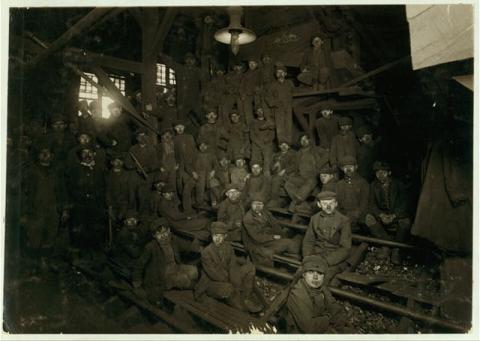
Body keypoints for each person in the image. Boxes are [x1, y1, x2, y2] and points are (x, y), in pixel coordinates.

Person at [194, 222, 263, 313]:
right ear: (211, 236)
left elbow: (232, 265)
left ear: (225, 236)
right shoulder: (206, 252)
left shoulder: (228, 247)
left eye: (221, 236)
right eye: (215, 236)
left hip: (227, 277)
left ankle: (246, 297)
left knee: (250, 268)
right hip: (211, 283)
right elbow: (215, 274)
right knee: (229, 289)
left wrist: (236, 279)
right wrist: (234, 283)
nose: (218, 239)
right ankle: (243, 309)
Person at [22, 145, 68, 265]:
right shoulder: (31, 171)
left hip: (53, 210)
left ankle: (44, 263)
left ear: (52, 156)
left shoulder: (56, 172)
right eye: (42, 152)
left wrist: (64, 210)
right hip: (35, 210)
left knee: (50, 236)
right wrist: (24, 211)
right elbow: (25, 192)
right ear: (38, 155)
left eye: (48, 153)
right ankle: (32, 265)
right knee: (34, 237)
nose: (45, 155)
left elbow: (62, 191)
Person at [285, 255, 348, 333]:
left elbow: (335, 308)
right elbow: (309, 327)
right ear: (304, 274)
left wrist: (338, 320)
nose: (315, 277)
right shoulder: (298, 293)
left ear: (324, 276)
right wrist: (329, 318)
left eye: (319, 273)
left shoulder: (322, 288)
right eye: (311, 272)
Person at [134, 218, 198, 293]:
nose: (164, 236)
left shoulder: (172, 239)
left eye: (165, 232)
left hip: (176, 267)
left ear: (169, 231)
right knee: (184, 280)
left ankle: (195, 286)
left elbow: (186, 246)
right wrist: (136, 282)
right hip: (163, 274)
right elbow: (139, 264)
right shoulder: (151, 247)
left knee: (194, 271)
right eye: (159, 234)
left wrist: (199, 249)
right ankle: (195, 288)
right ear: (154, 235)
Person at [365, 161, 411, 263]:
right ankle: (386, 245)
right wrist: (381, 215)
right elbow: (371, 204)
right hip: (382, 216)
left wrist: (393, 216)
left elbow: (404, 204)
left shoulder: (398, 184)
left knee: (406, 221)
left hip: (396, 215)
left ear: (389, 173)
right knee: (368, 218)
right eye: (378, 173)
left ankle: (396, 249)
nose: (380, 175)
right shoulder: (373, 185)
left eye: (383, 172)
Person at [302, 191, 352, 283]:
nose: (328, 206)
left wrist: (327, 261)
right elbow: (308, 241)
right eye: (325, 204)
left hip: (334, 258)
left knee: (323, 278)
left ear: (336, 204)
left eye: (331, 203)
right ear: (319, 204)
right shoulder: (314, 218)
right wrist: (308, 257)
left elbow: (345, 248)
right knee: (301, 274)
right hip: (317, 254)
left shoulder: (344, 221)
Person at [243, 196, 302, 266]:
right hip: (256, 243)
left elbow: (275, 225)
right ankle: (269, 271)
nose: (258, 206)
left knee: (290, 243)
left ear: (263, 205)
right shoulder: (248, 218)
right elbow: (257, 237)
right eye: (255, 204)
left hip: (268, 239)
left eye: (260, 204)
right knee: (267, 254)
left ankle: (292, 264)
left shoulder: (265, 213)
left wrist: (282, 235)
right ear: (251, 205)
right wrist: (273, 237)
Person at [125, 127, 160, 216]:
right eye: (139, 136)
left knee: (143, 199)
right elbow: (127, 164)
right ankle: (132, 217)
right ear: (136, 138)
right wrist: (135, 167)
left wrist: (146, 169)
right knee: (131, 198)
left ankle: (142, 217)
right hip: (134, 177)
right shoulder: (132, 149)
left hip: (146, 178)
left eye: (144, 136)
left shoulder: (151, 149)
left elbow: (156, 164)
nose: (142, 138)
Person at [284, 134, 318, 212]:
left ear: (309, 140)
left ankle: (294, 203)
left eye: (305, 139)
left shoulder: (315, 149)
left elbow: (327, 155)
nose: (304, 142)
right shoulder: (299, 152)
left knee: (307, 186)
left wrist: (319, 166)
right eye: (302, 140)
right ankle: (304, 205)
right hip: (301, 177)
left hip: (313, 177)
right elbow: (295, 166)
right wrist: (286, 171)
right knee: (288, 184)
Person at [335, 155, 369, 228]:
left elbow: (364, 203)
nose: (348, 169)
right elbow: (336, 203)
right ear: (342, 169)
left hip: (358, 216)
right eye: (345, 167)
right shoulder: (339, 184)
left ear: (356, 167)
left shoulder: (363, 183)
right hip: (343, 215)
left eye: (350, 166)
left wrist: (355, 214)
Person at [265, 63, 294, 144]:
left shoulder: (289, 83)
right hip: (278, 109)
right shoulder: (272, 85)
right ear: (276, 74)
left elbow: (295, 93)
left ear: (285, 74)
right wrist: (274, 103)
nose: (280, 74)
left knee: (288, 126)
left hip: (288, 108)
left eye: (282, 72)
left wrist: (292, 103)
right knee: (280, 127)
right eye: (278, 72)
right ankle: (281, 146)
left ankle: (288, 146)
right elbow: (267, 97)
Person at [105, 153, 136, 226]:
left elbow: (131, 191)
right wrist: (109, 205)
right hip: (113, 204)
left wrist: (130, 205)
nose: (118, 163)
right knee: (113, 222)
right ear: (112, 162)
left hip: (125, 203)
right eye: (116, 161)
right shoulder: (108, 175)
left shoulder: (127, 175)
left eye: (120, 161)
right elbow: (107, 191)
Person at [173, 120, 197, 214]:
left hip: (191, 165)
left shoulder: (189, 137)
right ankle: (186, 206)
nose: (179, 129)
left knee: (188, 187)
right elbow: (174, 154)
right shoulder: (174, 139)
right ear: (175, 129)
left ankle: (188, 208)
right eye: (177, 127)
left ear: (184, 127)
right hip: (181, 167)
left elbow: (194, 151)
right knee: (180, 187)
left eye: (181, 127)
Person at [249, 106, 275, 174]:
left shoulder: (269, 122)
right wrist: (259, 143)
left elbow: (272, 134)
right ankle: (256, 176)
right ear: (256, 113)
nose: (260, 112)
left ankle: (267, 177)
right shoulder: (253, 123)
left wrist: (267, 140)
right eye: (258, 111)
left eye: (261, 110)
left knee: (267, 161)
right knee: (255, 160)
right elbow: (252, 135)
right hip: (256, 144)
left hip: (267, 144)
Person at [192, 140, 217, 209]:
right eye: (201, 146)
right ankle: (199, 204)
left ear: (207, 146)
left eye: (204, 145)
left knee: (213, 186)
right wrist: (193, 172)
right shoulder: (195, 155)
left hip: (209, 174)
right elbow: (190, 165)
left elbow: (216, 164)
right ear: (199, 147)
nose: (202, 147)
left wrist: (213, 171)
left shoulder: (211, 154)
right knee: (200, 188)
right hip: (199, 175)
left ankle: (214, 203)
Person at [241, 58, 263, 126]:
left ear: (256, 64)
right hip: (248, 94)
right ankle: (250, 125)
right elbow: (241, 86)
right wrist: (243, 94)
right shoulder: (245, 74)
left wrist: (259, 89)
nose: (252, 65)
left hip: (257, 94)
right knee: (247, 109)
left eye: (253, 63)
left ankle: (260, 123)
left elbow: (262, 83)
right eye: (250, 63)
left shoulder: (259, 73)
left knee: (259, 107)